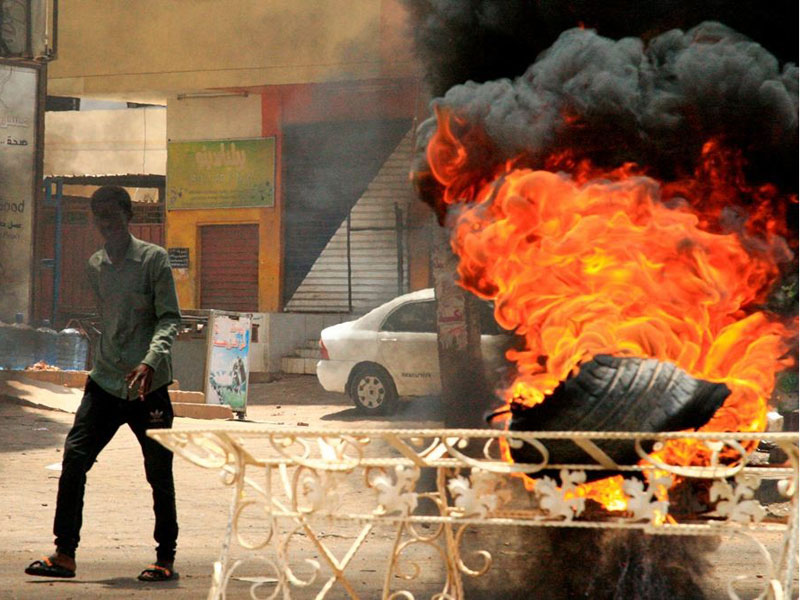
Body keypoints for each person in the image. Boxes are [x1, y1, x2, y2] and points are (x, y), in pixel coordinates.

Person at [25, 186, 182, 582]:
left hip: (149, 387)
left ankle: (165, 559)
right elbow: (108, 318)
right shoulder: (95, 265)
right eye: (99, 217)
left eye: (111, 216)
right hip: (106, 380)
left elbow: (169, 319)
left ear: (128, 216)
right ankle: (64, 555)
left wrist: (149, 361)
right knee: (74, 459)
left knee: (158, 472)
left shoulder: (153, 260)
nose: (105, 224)